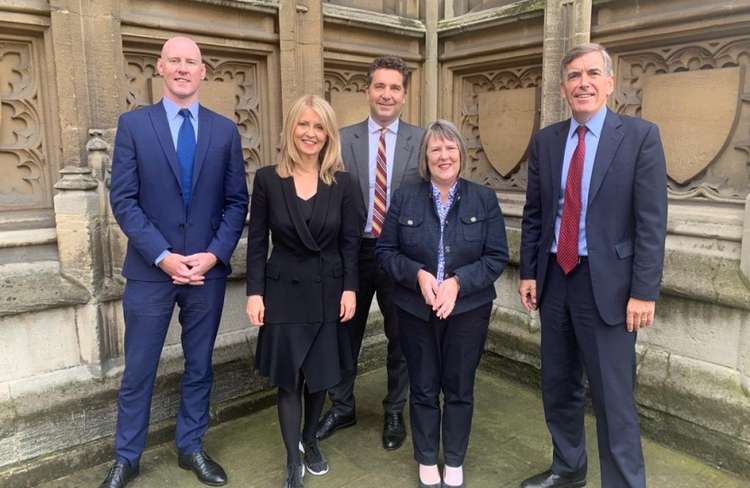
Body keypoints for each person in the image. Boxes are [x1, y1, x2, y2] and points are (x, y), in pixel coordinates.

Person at [518, 43, 667, 488]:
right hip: (555, 279)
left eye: (590, 74)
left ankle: (622, 482)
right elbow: (535, 214)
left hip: (611, 288)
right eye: (573, 77)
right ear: (563, 88)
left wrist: (644, 291)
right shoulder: (546, 141)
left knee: (613, 398)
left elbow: (651, 222)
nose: (582, 83)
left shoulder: (640, 137)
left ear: (609, 83)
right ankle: (568, 468)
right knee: (559, 386)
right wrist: (529, 271)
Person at [104, 36, 248, 488]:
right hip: (151, 272)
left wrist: (213, 254)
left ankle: (191, 447)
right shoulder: (133, 125)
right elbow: (123, 200)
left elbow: (235, 202)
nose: (184, 68)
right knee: (140, 369)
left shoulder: (225, 131)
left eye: (192, 62)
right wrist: (164, 257)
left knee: (200, 365)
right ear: (160, 68)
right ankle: (127, 456)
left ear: (203, 72)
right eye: (175, 61)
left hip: (207, 272)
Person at [376, 119, 509, 488]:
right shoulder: (405, 196)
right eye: (436, 149)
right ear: (426, 157)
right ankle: (425, 458)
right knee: (422, 386)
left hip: (467, 312)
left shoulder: (484, 199)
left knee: (459, 387)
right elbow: (385, 252)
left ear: (462, 155)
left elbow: (497, 257)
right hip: (415, 310)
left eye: (450, 148)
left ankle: (453, 459)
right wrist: (417, 274)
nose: (443, 155)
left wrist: (459, 282)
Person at [245, 94, 364, 488]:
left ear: (329, 134)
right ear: (291, 129)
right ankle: (292, 460)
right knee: (288, 378)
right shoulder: (267, 179)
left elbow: (350, 243)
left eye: (319, 127)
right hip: (283, 292)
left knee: (320, 376)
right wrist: (255, 293)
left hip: (328, 290)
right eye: (304, 125)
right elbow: (258, 242)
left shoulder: (344, 183)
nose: (310, 134)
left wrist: (350, 289)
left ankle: (310, 439)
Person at [316, 56, 424, 451]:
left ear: (404, 95)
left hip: (401, 253)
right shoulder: (342, 139)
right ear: (367, 90)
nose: (386, 94)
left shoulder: (422, 139)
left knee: (402, 337)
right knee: (345, 333)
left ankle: (395, 409)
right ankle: (342, 406)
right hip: (353, 252)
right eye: (380, 86)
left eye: (395, 87)